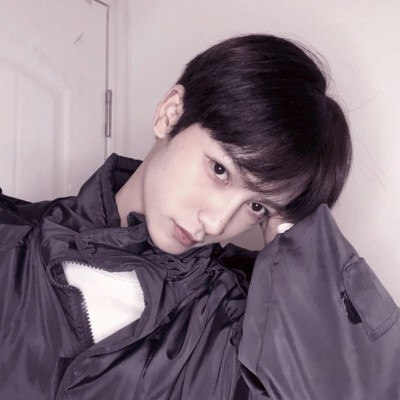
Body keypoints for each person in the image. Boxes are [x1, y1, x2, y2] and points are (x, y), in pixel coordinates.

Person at [0, 34, 398, 400]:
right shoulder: (13, 240)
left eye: (257, 207)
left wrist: (300, 245)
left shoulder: (234, 330)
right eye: (220, 170)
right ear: (171, 114)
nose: (217, 222)